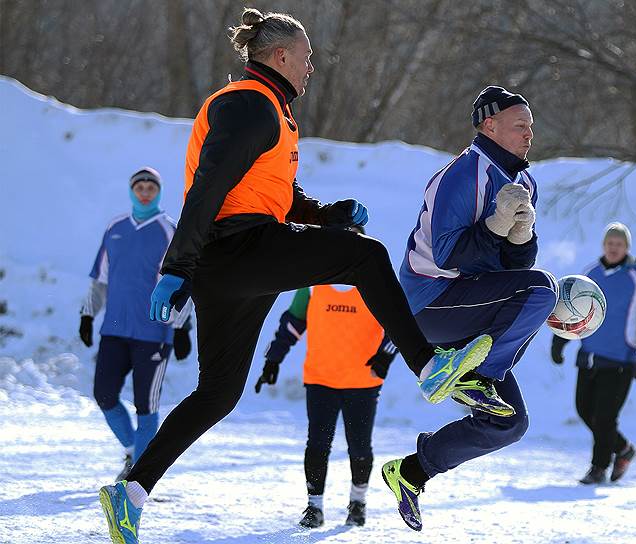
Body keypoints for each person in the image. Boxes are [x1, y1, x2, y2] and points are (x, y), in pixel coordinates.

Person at [97, 10, 492, 544]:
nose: (311, 69)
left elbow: (273, 197)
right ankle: (427, 364)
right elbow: (208, 189)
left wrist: (328, 215)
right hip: (239, 249)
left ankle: (132, 491)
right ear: (280, 57)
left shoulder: (268, 111)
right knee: (367, 256)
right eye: (306, 58)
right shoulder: (251, 106)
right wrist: (175, 268)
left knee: (217, 394)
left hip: (235, 260)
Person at [383, 86, 558, 532]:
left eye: (531, 126)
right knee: (541, 291)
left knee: (510, 424)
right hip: (429, 305)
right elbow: (445, 256)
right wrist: (498, 226)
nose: (529, 134)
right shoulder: (462, 175)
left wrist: (521, 238)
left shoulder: (524, 182)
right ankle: (476, 376)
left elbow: (511, 268)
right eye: (521, 125)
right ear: (488, 125)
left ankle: (411, 472)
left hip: (471, 307)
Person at [256, 226, 398, 529]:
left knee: (360, 447)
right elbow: (292, 322)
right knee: (318, 444)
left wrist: (385, 355)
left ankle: (357, 502)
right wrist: (273, 359)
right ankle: (314, 507)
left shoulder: (375, 280)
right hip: (321, 379)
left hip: (363, 381)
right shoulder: (312, 281)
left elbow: (399, 323)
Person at [80, 167, 193, 482]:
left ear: (158, 192)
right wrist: (87, 315)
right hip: (114, 330)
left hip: (154, 333)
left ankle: (138, 478)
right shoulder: (115, 227)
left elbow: (185, 283)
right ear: (132, 191)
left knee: (146, 406)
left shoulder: (170, 231)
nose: (145, 191)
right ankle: (133, 450)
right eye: (140, 186)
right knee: (104, 395)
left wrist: (183, 327)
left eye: (151, 187)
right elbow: (100, 280)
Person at [551, 222, 636, 484]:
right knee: (583, 410)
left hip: (620, 362)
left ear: (627, 248)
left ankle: (599, 467)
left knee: (604, 418)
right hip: (588, 358)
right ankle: (623, 449)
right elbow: (571, 311)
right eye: (610, 243)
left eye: (619, 244)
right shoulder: (590, 274)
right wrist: (559, 342)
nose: (614, 248)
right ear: (603, 245)